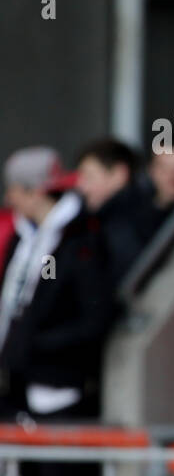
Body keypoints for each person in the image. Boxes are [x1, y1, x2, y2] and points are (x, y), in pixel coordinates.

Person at [1, 147, 114, 420]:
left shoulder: (81, 241)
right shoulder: (22, 237)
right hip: (17, 387)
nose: (9, 198)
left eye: (14, 189)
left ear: (35, 191)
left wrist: (31, 344)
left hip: (59, 390)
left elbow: (92, 319)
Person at [74, 138, 153, 290]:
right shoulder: (102, 222)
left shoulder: (125, 225)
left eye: (89, 177)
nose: (82, 187)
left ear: (119, 174)